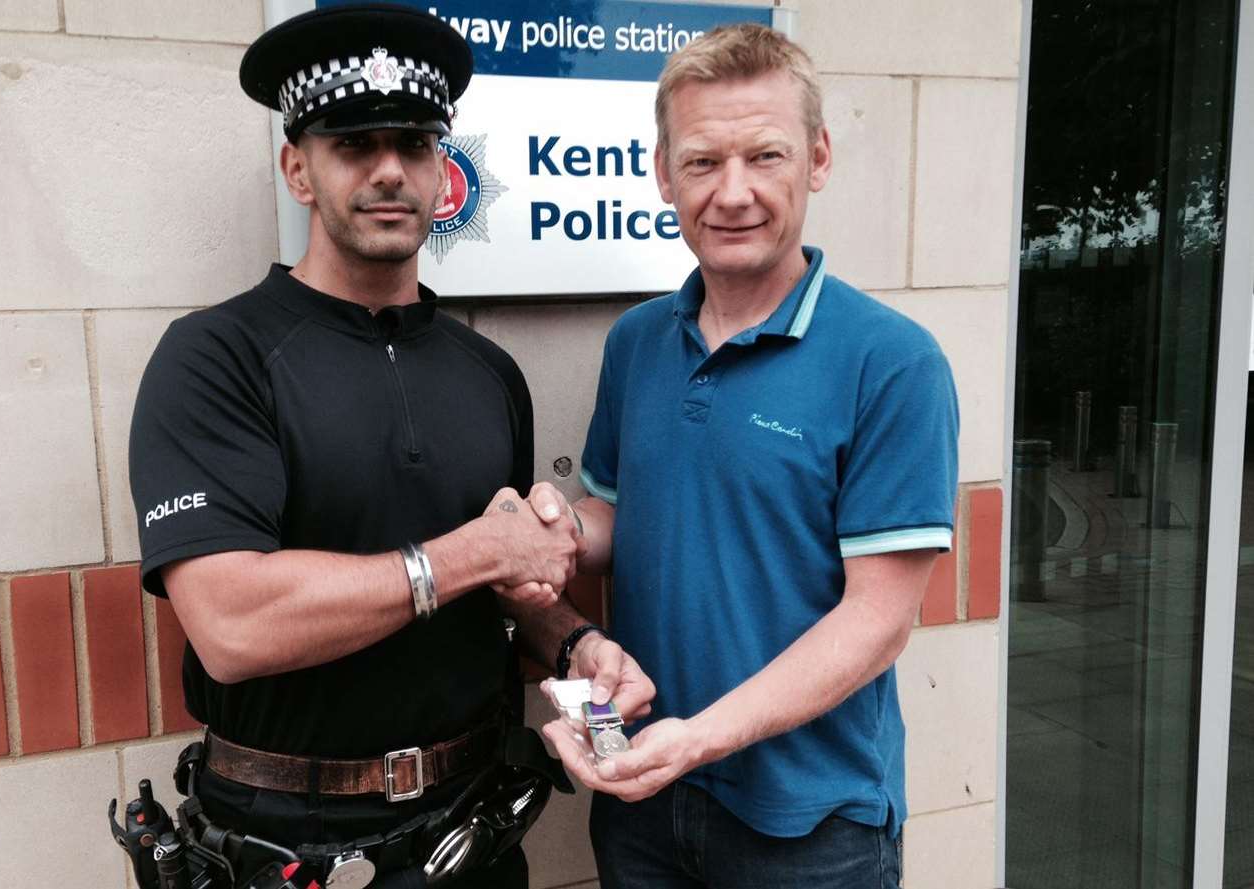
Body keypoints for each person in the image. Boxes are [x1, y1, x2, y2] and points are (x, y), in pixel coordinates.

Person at [126, 4, 650, 887]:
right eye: (353, 145)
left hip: (473, 829)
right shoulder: (216, 356)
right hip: (290, 837)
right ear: (299, 168)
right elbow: (229, 624)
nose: (388, 171)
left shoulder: (488, 372)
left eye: (412, 144)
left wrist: (573, 646)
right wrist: (476, 548)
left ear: (442, 169)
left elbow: (501, 588)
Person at [539, 23, 960, 889]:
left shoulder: (891, 360)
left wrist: (699, 736)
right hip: (644, 803)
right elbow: (619, 513)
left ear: (817, 157)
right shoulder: (637, 344)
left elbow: (877, 620)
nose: (732, 193)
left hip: (810, 826)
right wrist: (545, 533)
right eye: (701, 162)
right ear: (662, 172)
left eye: (763, 157)